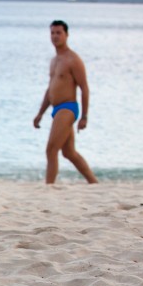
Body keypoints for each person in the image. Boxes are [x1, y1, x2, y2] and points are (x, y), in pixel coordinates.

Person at [33, 20, 98, 184]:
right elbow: (50, 90)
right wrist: (40, 113)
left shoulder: (73, 60)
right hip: (56, 109)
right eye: (52, 33)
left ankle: (49, 187)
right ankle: (94, 183)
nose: (55, 36)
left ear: (66, 35)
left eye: (58, 33)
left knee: (51, 149)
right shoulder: (54, 61)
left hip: (68, 108)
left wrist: (84, 116)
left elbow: (84, 88)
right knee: (69, 153)